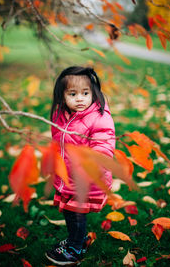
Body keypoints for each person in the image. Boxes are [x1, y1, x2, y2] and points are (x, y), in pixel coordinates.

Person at [45, 66, 115, 265]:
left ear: (94, 93)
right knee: (69, 211)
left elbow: (103, 149)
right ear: (62, 96)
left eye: (86, 93)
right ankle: (77, 239)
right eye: (72, 94)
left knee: (77, 214)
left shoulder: (99, 118)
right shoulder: (62, 115)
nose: (80, 99)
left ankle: (75, 249)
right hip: (67, 178)